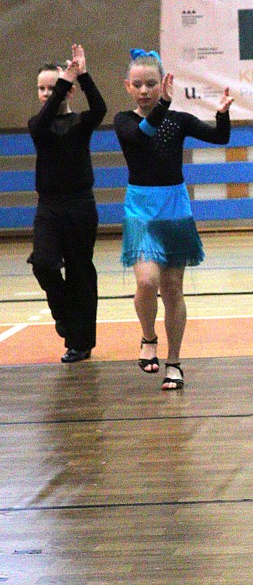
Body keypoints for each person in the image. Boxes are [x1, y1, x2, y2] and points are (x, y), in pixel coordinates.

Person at [114, 49, 233, 390]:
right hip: (141, 210)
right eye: (138, 84)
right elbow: (141, 137)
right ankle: (148, 337)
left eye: (152, 84)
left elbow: (219, 137)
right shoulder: (124, 121)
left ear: (163, 83)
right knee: (147, 281)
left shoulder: (178, 120)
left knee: (172, 289)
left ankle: (174, 361)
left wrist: (223, 114)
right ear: (127, 86)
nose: (145, 91)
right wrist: (163, 104)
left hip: (174, 209)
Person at [28, 44, 106, 363]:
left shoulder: (81, 123)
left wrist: (82, 75)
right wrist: (63, 81)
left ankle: (80, 342)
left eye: (53, 87)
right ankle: (65, 316)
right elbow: (45, 119)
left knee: (80, 272)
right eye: (42, 88)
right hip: (49, 207)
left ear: (70, 91)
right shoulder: (38, 125)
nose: (47, 94)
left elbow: (100, 108)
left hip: (80, 206)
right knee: (43, 264)